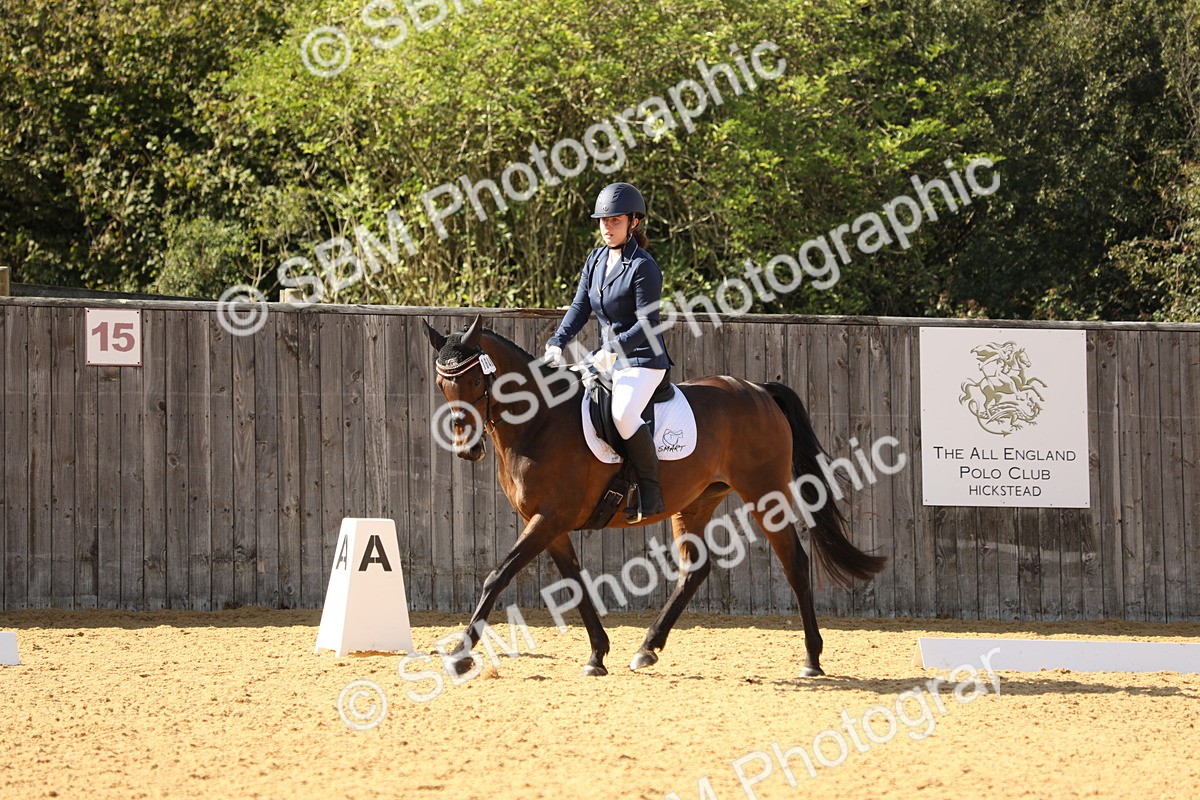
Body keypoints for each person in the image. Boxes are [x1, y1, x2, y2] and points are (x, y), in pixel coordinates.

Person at [544, 182, 670, 522]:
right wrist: (558, 341)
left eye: (614, 220)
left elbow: (647, 324)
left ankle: (650, 491)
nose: (606, 227)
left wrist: (611, 350)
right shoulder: (596, 259)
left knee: (623, 414)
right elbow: (579, 307)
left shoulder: (643, 267)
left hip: (642, 360)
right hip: (607, 358)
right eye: (602, 220)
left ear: (634, 222)